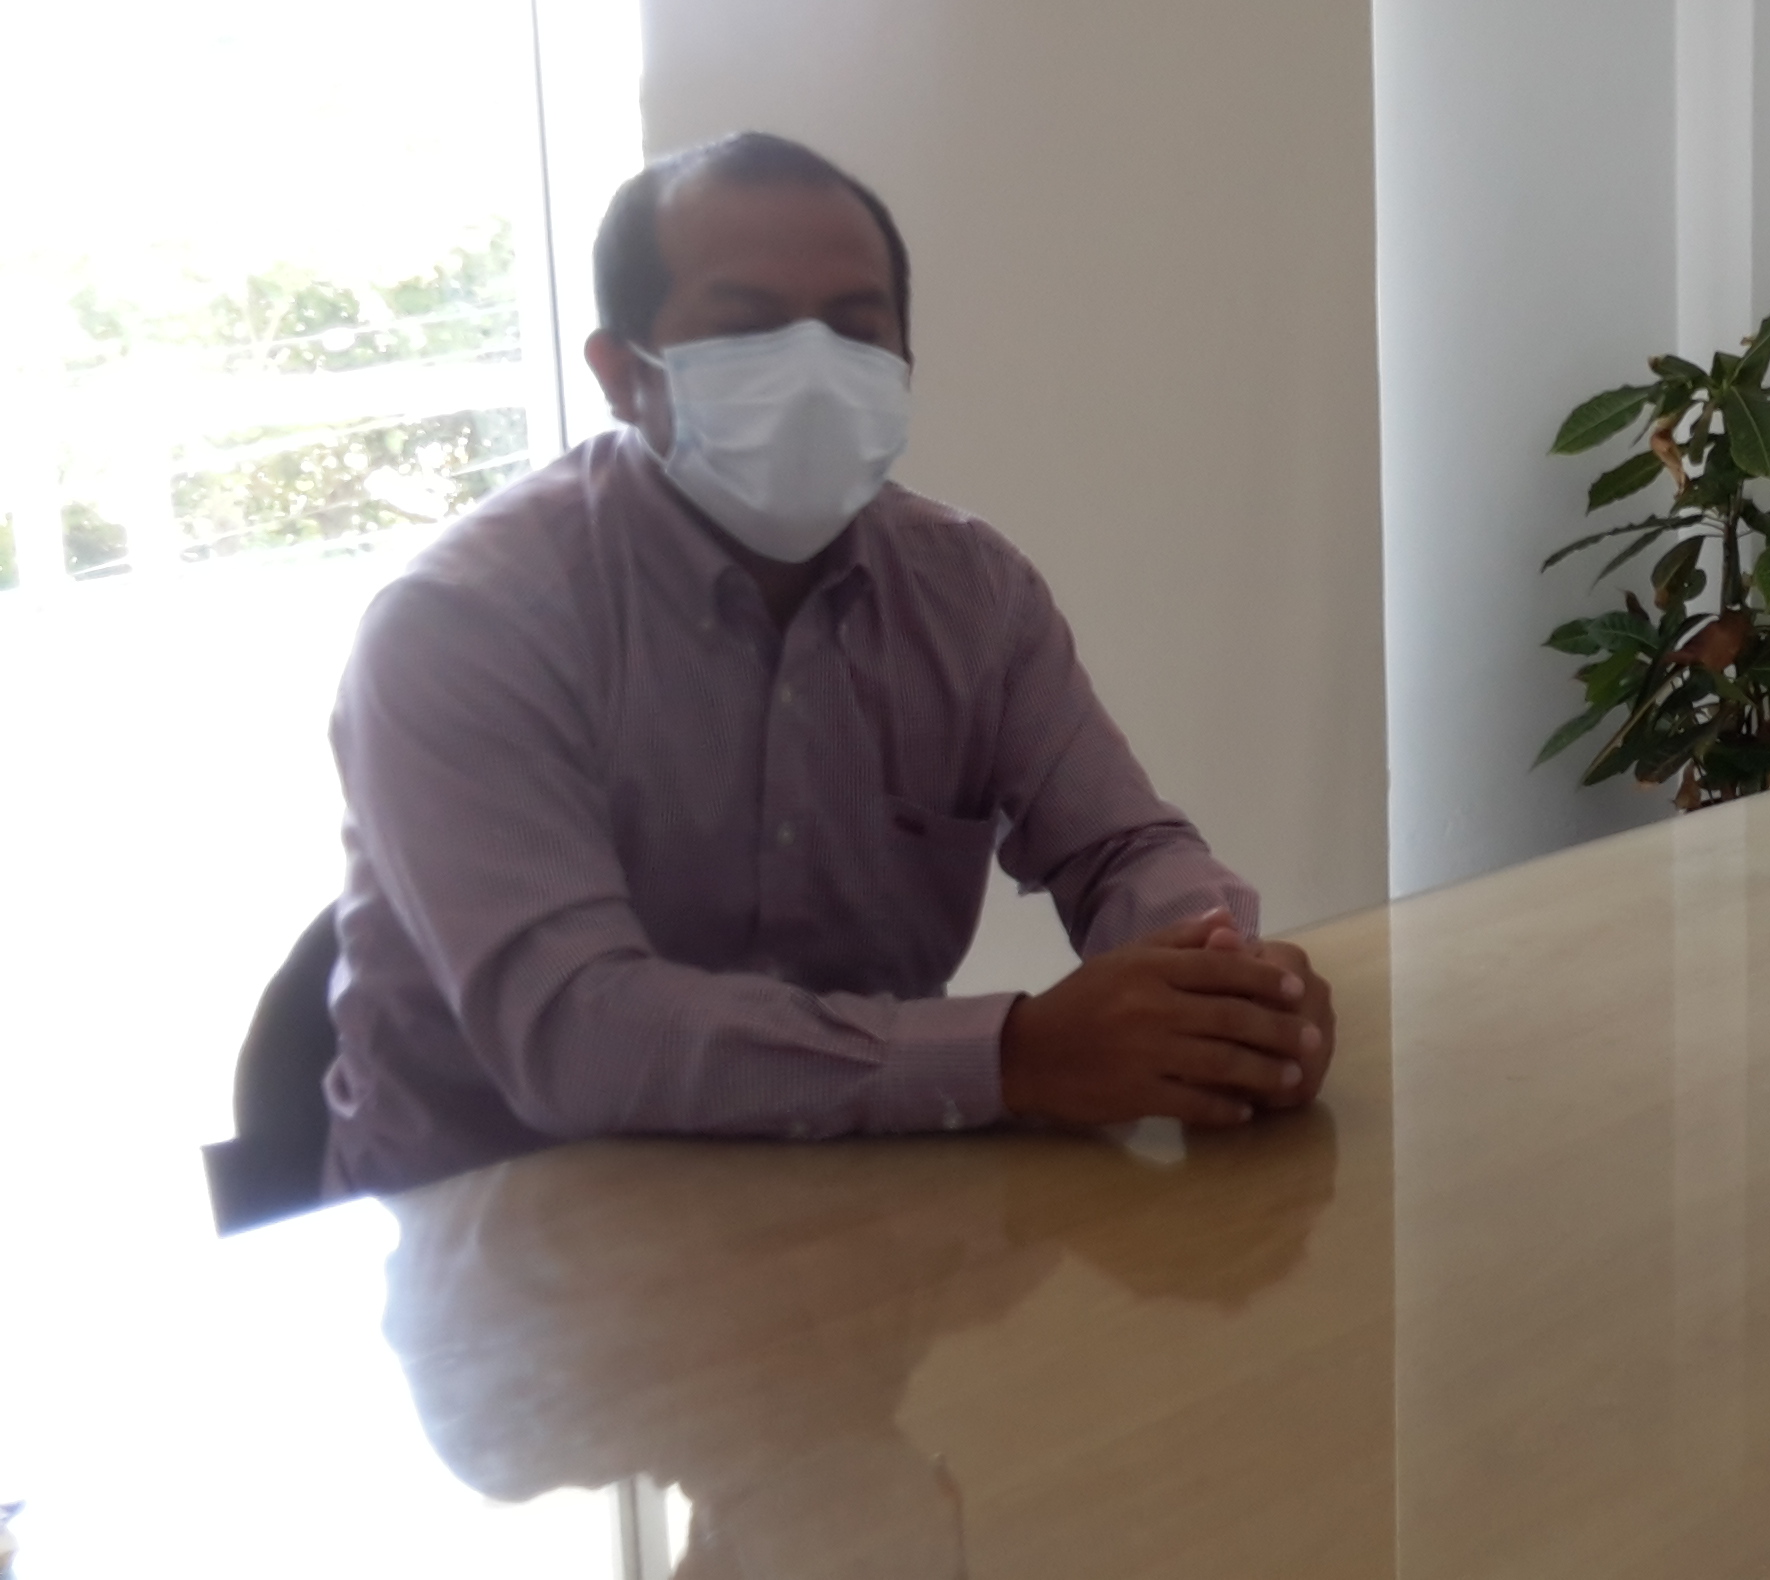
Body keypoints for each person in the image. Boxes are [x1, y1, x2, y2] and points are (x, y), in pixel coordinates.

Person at [322, 131, 1332, 1196]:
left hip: (853, 1188)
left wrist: (1219, 978)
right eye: (747, 326)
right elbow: (578, 1033)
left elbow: (1124, 844)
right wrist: (1014, 1056)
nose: (811, 373)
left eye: (855, 330)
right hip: (498, 1226)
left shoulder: (970, 592)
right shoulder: (463, 626)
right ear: (621, 375)